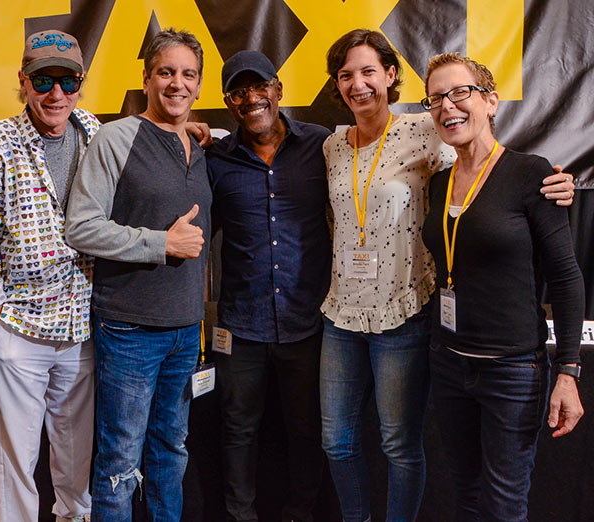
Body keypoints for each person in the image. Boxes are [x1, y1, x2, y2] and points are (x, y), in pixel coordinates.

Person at [319, 29, 575, 522]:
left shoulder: (423, 130)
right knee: (339, 442)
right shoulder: (330, 145)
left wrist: (550, 180)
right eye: (346, 74)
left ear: (391, 76)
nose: (358, 83)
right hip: (351, 317)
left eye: (369, 70)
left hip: (415, 318)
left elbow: (486, 153)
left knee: (405, 448)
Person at [421, 52, 584, 521]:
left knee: (504, 503)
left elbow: (567, 279)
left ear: (490, 102)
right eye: (435, 99)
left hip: (512, 371)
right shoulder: (438, 183)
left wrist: (569, 372)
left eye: (459, 93)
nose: (447, 106)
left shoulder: (532, 175)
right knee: (465, 494)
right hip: (449, 364)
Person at [65, 28, 211, 522]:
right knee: (119, 463)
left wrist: (204, 130)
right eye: (166, 72)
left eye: (188, 74)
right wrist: (161, 243)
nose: (177, 84)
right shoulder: (117, 137)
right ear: (146, 78)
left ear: (199, 84)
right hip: (128, 329)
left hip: (186, 331)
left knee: (172, 450)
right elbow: (81, 227)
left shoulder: (201, 143)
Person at [0, 30, 99, 522]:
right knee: (15, 460)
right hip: (18, 326)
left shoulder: (93, 130)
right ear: (23, 82)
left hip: (81, 324)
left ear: (81, 85)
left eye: (67, 81)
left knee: (76, 456)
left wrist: (196, 130)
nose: (56, 94)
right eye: (43, 80)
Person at [206, 50, 330, 522]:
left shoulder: (321, 145)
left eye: (260, 86)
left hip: (308, 321)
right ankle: (242, 517)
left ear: (278, 89)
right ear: (228, 101)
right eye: (239, 91)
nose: (251, 97)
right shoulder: (216, 159)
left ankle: (301, 514)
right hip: (241, 325)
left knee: (305, 431)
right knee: (238, 431)